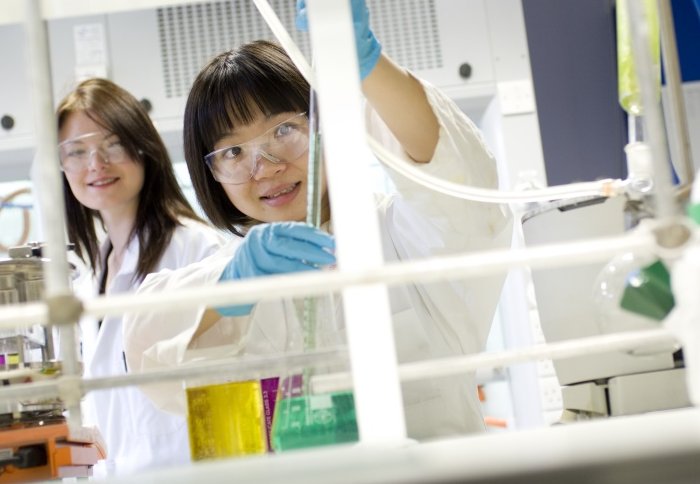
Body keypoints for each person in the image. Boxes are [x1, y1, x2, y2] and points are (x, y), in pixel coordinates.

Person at [123, 0, 513, 442]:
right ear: (210, 174)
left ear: (324, 128)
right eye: (233, 152)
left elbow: (458, 181)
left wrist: (368, 66)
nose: (265, 168)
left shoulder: (400, 235)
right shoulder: (228, 275)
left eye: (283, 132)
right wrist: (232, 286)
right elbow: (142, 342)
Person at [56, 78, 226, 476]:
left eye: (112, 144)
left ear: (143, 148)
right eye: (76, 152)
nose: (96, 164)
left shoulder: (192, 249)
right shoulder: (93, 273)